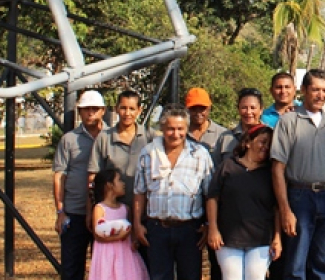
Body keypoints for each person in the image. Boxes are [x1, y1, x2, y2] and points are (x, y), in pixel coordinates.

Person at [270, 68, 325, 280]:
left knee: (324, 262)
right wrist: (285, 210)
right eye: (315, 89)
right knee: (296, 264)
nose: (321, 95)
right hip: (300, 198)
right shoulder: (289, 121)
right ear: (303, 90)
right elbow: (277, 169)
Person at [133, 105, 214, 280]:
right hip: (157, 229)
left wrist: (209, 224)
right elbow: (139, 192)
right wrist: (138, 224)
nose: (175, 134)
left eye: (180, 129)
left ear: (187, 129)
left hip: (190, 230)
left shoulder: (200, 154)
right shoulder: (148, 153)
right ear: (162, 128)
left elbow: (209, 194)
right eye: (170, 128)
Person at [207, 123, 282, 280]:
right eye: (262, 141)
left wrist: (277, 237)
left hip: (260, 239)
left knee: (255, 276)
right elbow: (212, 198)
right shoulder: (228, 167)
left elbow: (276, 207)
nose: (266, 147)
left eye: (269, 144)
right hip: (228, 238)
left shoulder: (270, 172)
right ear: (248, 142)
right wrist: (213, 229)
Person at [87, 90, 152, 266]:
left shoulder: (150, 138)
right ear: (116, 109)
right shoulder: (104, 138)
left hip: (145, 215)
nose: (127, 113)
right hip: (112, 216)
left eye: (132, 108)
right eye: (123, 108)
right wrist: (91, 211)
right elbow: (93, 177)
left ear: (139, 110)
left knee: (144, 268)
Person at [52, 90, 106, 280]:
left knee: (104, 269)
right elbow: (60, 176)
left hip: (105, 213)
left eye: (94, 109)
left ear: (103, 111)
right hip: (74, 212)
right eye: (86, 109)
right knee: (72, 268)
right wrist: (60, 211)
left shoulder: (110, 137)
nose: (90, 112)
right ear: (79, 112)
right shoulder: (69, 140)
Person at [184, 86, 237, 280]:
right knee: (188, 265)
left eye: (202, 108)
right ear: (187, 109)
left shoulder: (224, 136)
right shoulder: (179, 135)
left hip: (216, 207)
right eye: (194, 108)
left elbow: (228, 175)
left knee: (218, 264)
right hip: (187, 209)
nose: (199, 113)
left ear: (209, 108)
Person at [88, 168, 150, 280]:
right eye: (119, 180)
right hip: (107, 255)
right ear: (109, 185)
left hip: (125, 254)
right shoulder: (100, 208)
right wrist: (118, 237)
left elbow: (131, 232)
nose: (123, 184)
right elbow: (97, 235)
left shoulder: (125, 209)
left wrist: (134, 241)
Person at [214, 88, 265, 165]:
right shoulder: (225, 138)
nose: (248, 112)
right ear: (238, 109)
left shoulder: (270, 136)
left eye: (253, 108)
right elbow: (216, 168)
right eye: (244, 108)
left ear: (261, 110)